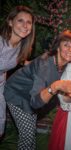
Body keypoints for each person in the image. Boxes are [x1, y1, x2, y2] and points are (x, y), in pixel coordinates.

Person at [4, 30, 71, 150]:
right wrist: (55, 86)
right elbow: (35, 103)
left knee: (30, 132)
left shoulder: (67, 64)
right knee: (27, 135)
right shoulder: (45, 65)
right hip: (17, 94)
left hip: (31, 96)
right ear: (58, 47)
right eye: (66, 45)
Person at [0, 5, 35, 138]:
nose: (25, 25)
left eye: (29, 22)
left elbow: (22, 62)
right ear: (10, 22)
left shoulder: (21, 46)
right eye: (20, 20)